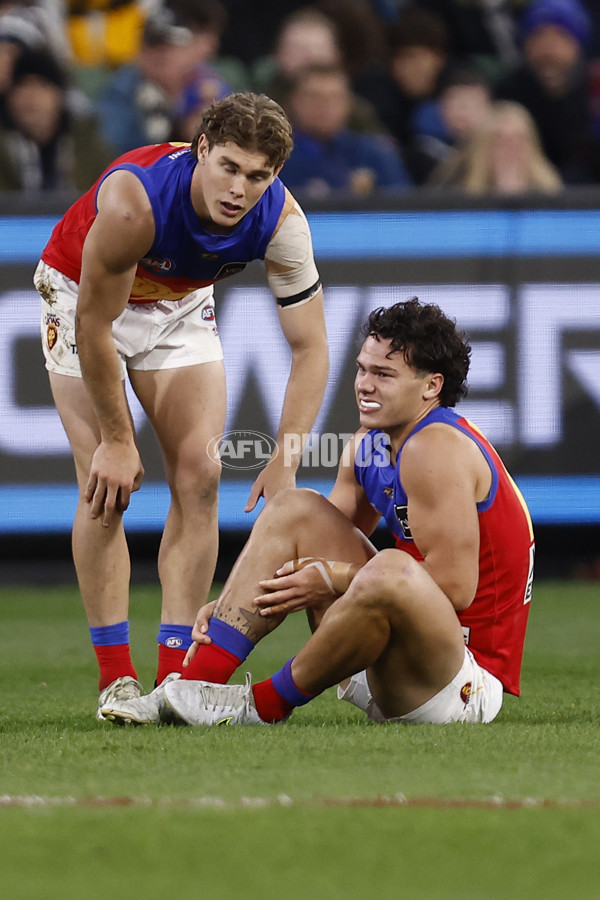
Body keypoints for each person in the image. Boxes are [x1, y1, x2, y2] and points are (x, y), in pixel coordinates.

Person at [100, 299, 535, 728]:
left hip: (461, 686)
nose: (365, 384)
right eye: (363, 369)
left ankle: (260, 705)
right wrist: (235, 602)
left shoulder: (436, 447)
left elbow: (455, 588)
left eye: (384, 375)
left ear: (431, 386)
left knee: (391, 567)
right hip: (394, 658)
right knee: (295, 507)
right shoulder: (369, 444)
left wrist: (330, 577)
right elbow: (309, 542)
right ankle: (186, 691)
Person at [33, 91, 328, 719]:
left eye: (258, 175)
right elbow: (93, 326)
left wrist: (289, 459)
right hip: (82, 297)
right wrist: (117, 438)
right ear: (200, 151)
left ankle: (176, 678)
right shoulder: (133, 202)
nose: (239, 189)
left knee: (200, 474)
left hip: (177, 303)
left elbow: (311, 349)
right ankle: (117, 679)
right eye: (227, 166)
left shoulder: (281, 222)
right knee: (104, 485)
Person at [96, 1, 233, 155]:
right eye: (153, 45)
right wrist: (179, 132)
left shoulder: (206, 84)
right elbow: (117, 153)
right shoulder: (121, 91)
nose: (160, 54)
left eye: (170, 46)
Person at [494, 0, 599, 184]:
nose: (548, 48)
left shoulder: (594, 89)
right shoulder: (508, 91)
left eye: (561, 37)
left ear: (578, 45)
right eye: (538, 35)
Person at [280, 62, 411, 197]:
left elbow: (404, 209)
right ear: (293, 102)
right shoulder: (275, 158)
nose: (324, 105)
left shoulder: (375, 153)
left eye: (334, 98)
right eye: (314, 97)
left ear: (348, 103)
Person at [0, 46, 114, 191]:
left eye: (41, 85)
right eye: (21, 85)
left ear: (59, 94)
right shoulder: (3, 146)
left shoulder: (86, 142)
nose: (30, 95)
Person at [428, 99, 563, 195]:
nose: (511, 149)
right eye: (500, 141)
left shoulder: (552, 195)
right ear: (482, 148)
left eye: (519, 139)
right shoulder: (453, 194)